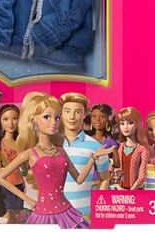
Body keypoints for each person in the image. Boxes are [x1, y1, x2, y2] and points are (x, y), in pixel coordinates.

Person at [0, 92, 108, 228]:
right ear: (34, 120)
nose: (54, 122)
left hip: (67, 211)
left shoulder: (60, 150)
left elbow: (79, 179)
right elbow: (0, 177)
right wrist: (28, 199)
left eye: (57, 117)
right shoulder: (30, 154)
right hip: (43, 213)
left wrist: (93, 158)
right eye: (47, 117)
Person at [60, 92, 110, 222]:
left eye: (77, 112)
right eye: (67, 111)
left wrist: (97, 210)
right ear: (61, 114)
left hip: (85, 216)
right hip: (56, 215)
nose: (72, 117)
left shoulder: (95, 146)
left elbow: (105, 179)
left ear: (84, 115)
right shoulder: (52, 144)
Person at [0, 104, 24, 222]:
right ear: (0, 121)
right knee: (5, 218)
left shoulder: (20, 143)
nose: (11, 123)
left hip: (19, 185)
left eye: (15, 118)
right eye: (6, 119)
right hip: (3, 186)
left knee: (16, 218)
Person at [84, 103, 120, 187]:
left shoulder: (110, 142)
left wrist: (109, 164)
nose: (97, 120)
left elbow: (117, 163)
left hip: (103, 182)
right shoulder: (86, 140)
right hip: (87, 181)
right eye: (94, 116)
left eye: (102, 117)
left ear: (108, 120)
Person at [115, 106, 149, 190]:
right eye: (122, 123)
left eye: (130, 123)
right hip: (119, 191)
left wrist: (131, 191)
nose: (125, 127)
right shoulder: (119, 147)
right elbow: (114, 170)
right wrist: (118, 187)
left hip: (136, 191)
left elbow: (142, 176)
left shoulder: (142, 150)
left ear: (137, 125)